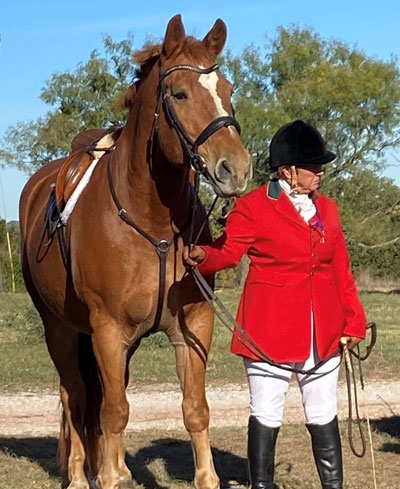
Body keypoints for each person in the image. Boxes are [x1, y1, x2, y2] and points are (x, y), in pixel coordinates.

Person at [184, 120, 367, 489]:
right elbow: (230, 251)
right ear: (287, 171)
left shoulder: (328, 210)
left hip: (324, 331)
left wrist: (354, 322)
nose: (320, 172)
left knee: (323, 413)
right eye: (312, 167)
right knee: (267, 413)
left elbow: (341, 270)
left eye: (320, 166)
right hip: (270, 330)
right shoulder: (253, 207)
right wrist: (203, 255)